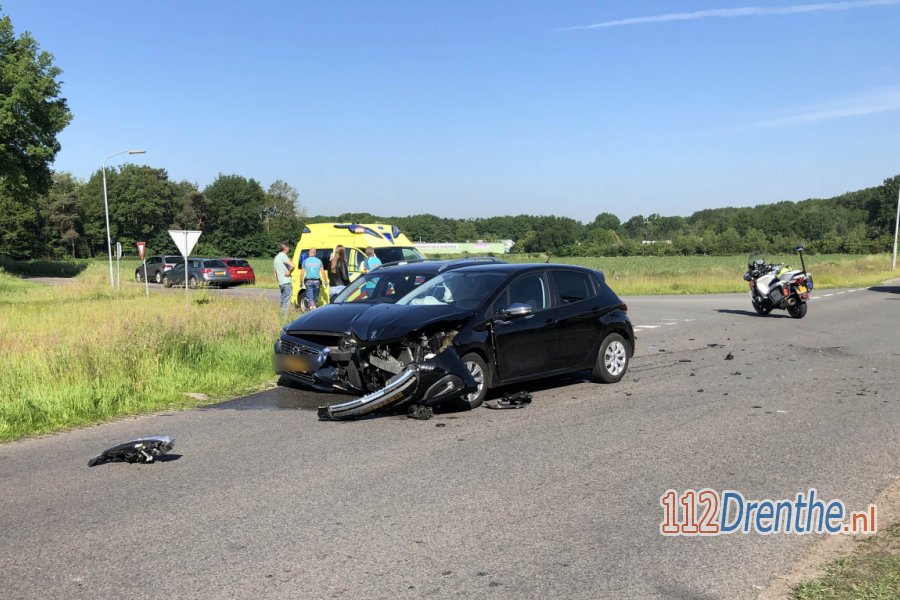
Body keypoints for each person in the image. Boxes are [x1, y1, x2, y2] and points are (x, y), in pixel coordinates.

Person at [273, 242, 295, 319]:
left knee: (283, 301)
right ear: (285, 248)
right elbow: (293, 265)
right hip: (286, 282)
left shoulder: (276, 257)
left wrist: (278, 280)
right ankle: (283, 319)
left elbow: (274, 272)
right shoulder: (283, 256)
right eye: (288, 247)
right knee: (286, 302)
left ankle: (281, 316)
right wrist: (289, 272)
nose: (289, 248)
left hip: (281, 283)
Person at [300, 246, 324, 310]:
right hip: (317, 281)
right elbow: (323, 272)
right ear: (315, 253)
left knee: (310, 297)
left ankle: (311, 307)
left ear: (309, 253)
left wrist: (301, 282)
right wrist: (326, 281)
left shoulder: (305, 261)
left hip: (308, 281)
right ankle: (313, 306)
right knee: (315, 298)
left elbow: (302, 272)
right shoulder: (319, 261)